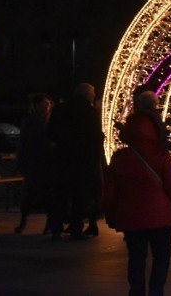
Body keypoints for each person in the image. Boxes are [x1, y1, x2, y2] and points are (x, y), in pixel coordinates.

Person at [103, 91, 171, 296]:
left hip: (131, 219)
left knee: (136, 258)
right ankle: (156, 291)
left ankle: (136, 292)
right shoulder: (160, 155)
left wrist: (110, 214)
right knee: (162, 256)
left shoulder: (119, 157)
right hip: (160, 219)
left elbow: (109, 192)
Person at [46, 82, 104, 240]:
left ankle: (56, 228)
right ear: (86, 95)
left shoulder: (60, 109)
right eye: (93, 94)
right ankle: (76, 229)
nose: (94, 97)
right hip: (83, 162)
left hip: (63, 159)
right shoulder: (89, 112)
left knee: (61, 195)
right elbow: (94, 138)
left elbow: (50, 134)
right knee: (80, 196)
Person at [14, 93, 54, 234]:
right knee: (29, 195)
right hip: (34, 163)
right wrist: (22, 163)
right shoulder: (30, 122)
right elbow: (23, 144)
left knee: (49, 194)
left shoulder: (51, 121)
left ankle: (49, 222)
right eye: (43, 105)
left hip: (47, 163)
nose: (45, 108)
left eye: (47, 105)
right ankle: (23, 220)